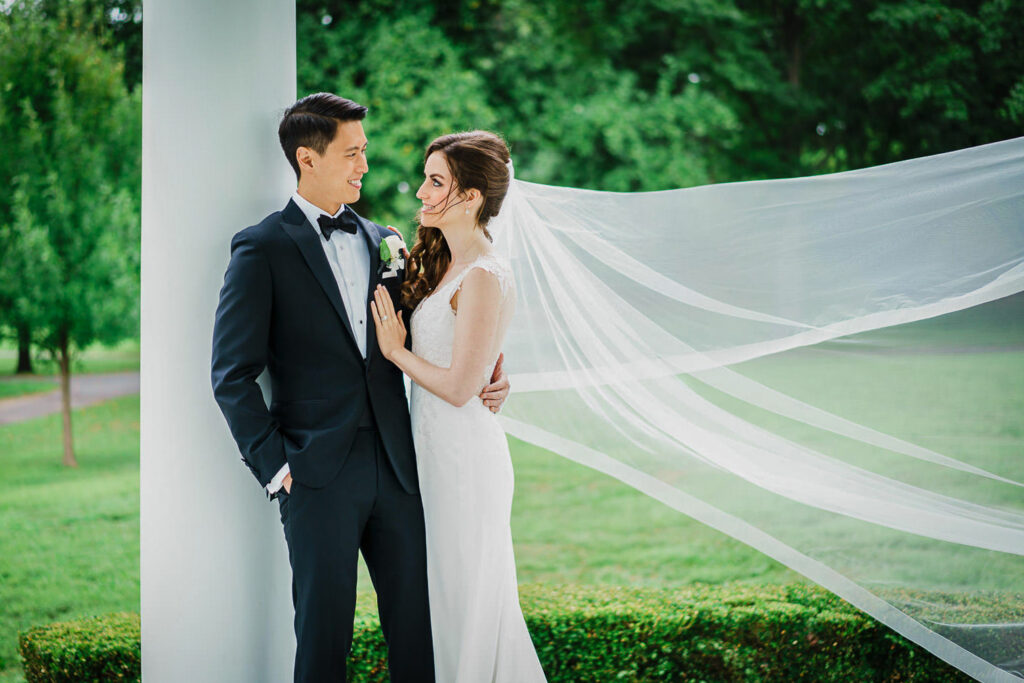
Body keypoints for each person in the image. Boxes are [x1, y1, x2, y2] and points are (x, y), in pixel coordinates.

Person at [210, 94, 510, 683]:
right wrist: (278, 469)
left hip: (403, 468)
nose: (364, 167)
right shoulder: (262, 247)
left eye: (364, 152)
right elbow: (231, 374)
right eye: (352, 154)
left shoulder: (388, 240)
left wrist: (493, 368)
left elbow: (447, 319)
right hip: (315, 473)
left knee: (420, 635)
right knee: (323, 641)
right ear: (308, 158)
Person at [371, 131, 547, 682]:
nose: (421, 190)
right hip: (433, 453)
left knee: (466, 604)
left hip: (464, 462)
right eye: (425, 177)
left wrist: (396, 351)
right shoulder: (444, 262)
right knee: (442, 602)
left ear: (470, 197)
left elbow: (458, 387)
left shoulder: (485, 275)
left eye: (436, 181)